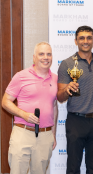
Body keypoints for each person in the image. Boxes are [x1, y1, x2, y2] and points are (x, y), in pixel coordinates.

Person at [57, 26, 93, 174]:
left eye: (88, 38)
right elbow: (60, 97)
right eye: (81, 38)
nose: (85, 41)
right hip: (76, 121)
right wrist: (67, 90)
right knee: (73, 168)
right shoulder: (67, 64)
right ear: (76, 41)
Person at [2, 42, 58, 174]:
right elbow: (5, 102)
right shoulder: (21, 76)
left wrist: (53, 135)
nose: (45, 57)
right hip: (23, 133)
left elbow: (54, 107)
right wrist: (24, 114)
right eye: (41, 54)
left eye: (49, 54)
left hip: (45, 135)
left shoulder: (56, 79)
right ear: (34, 57)